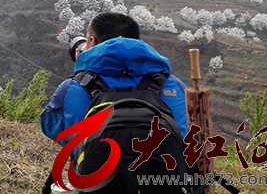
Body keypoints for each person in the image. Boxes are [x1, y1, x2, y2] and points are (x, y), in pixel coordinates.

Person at [40, 12, 188, 167]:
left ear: (91, 41)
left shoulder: (73, 88)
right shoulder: (173, 85)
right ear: (136, 42)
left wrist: (83, 73)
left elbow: (50, 125)